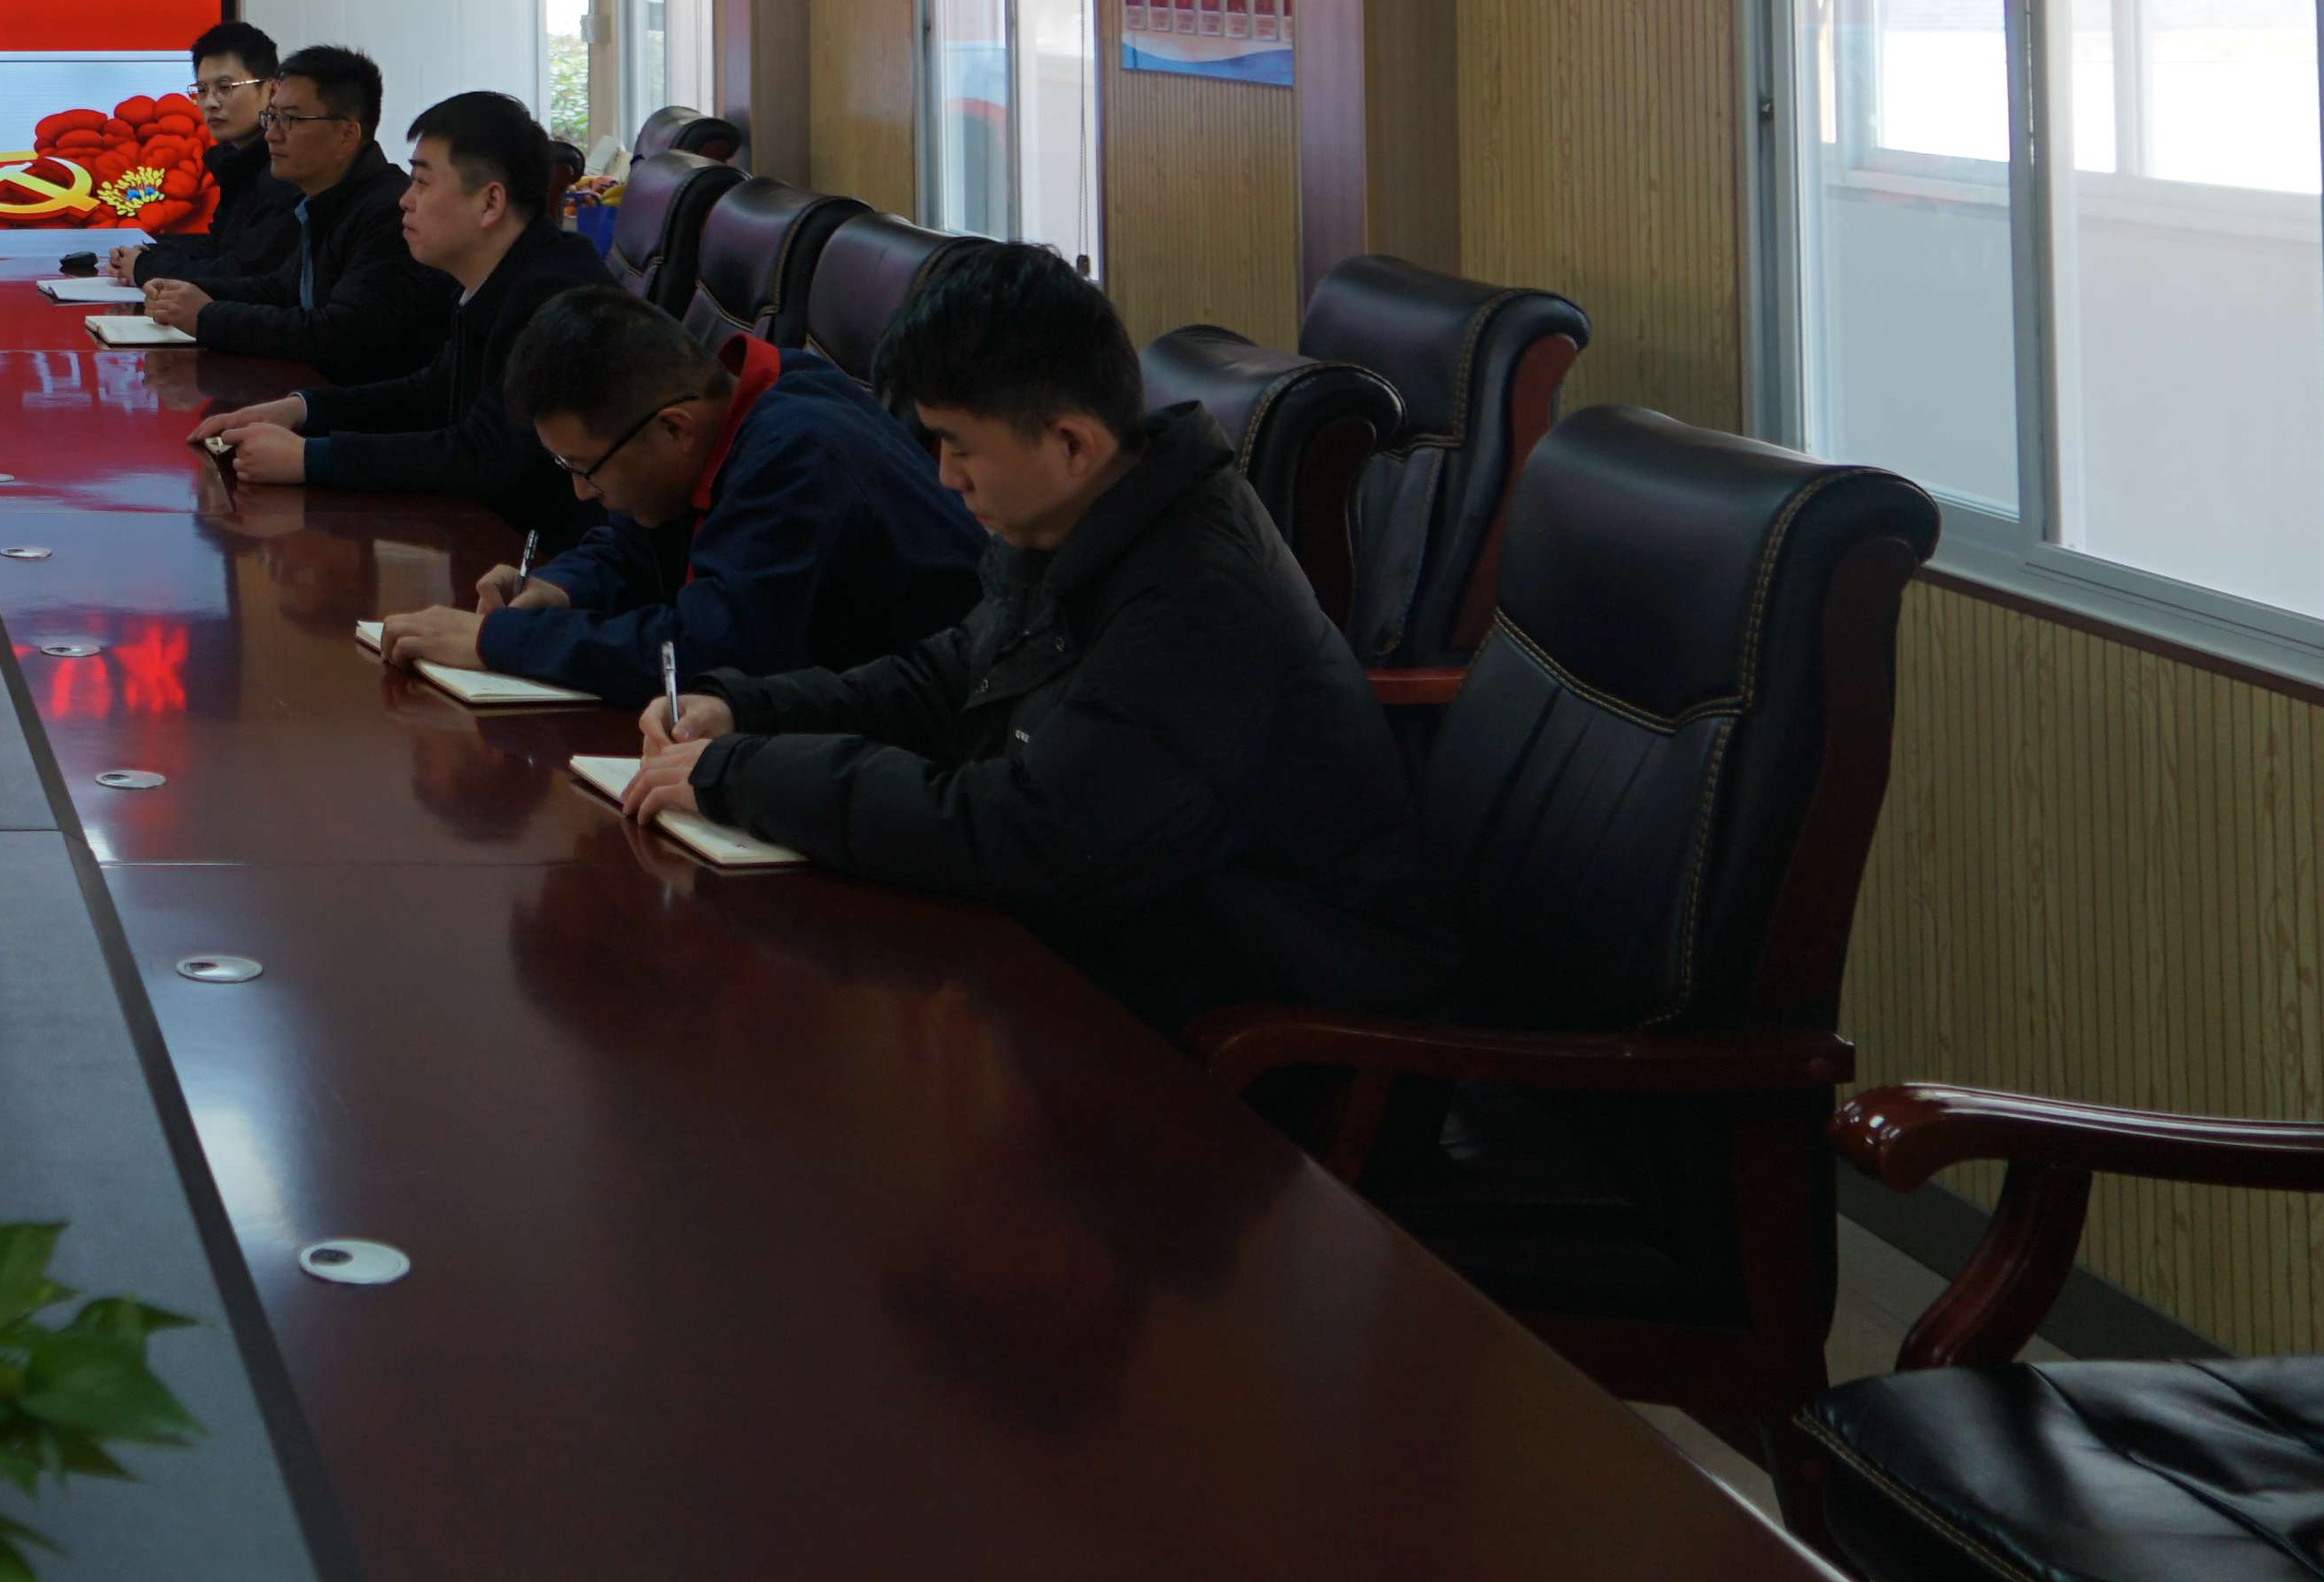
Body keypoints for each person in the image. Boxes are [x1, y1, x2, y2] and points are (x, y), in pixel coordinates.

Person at [603, 239, 1454, 1024]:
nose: (945, 476)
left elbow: (1023, 837)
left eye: (958, 446)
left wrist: (742, 775)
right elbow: (949, 680)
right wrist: (745, 711)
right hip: (1127, 944)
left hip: (1266, 1016)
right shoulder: (1083, 516)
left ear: (1071, 443)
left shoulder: (1198, 603)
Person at [371, 284, 980, 703]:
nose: (581, 494)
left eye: (587, 469)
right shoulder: (733, 404)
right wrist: (559, 588)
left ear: (673, 429)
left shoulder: (798, 456)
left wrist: (499, 642)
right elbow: (635, 546)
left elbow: (705, 652)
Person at [189, 90, 609, 537]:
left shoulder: (554, 299)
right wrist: (299, 409)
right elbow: (433, 392)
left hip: (549, 556)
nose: (404, 201)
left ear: (490, 203)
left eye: (423, 183)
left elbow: (486, 457)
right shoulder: (500, 274)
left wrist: (309, 458)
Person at [141, 43, 446, 381]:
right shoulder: (325, 199)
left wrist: (206, 316)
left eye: (290, 120)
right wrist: (183, 291)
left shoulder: (389, 213)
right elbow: (281, 289)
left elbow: (340, 333)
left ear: (347, 135)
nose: (271, 135)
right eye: (272, 117)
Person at [129, 21, 291, 286]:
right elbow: (218, 249)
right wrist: (148, 254)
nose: (210, 103)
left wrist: (144, 267)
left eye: (225, 88)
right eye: (202, 90)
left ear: (272, 90)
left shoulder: (286, 167)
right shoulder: (237, 162)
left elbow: (245, 272)